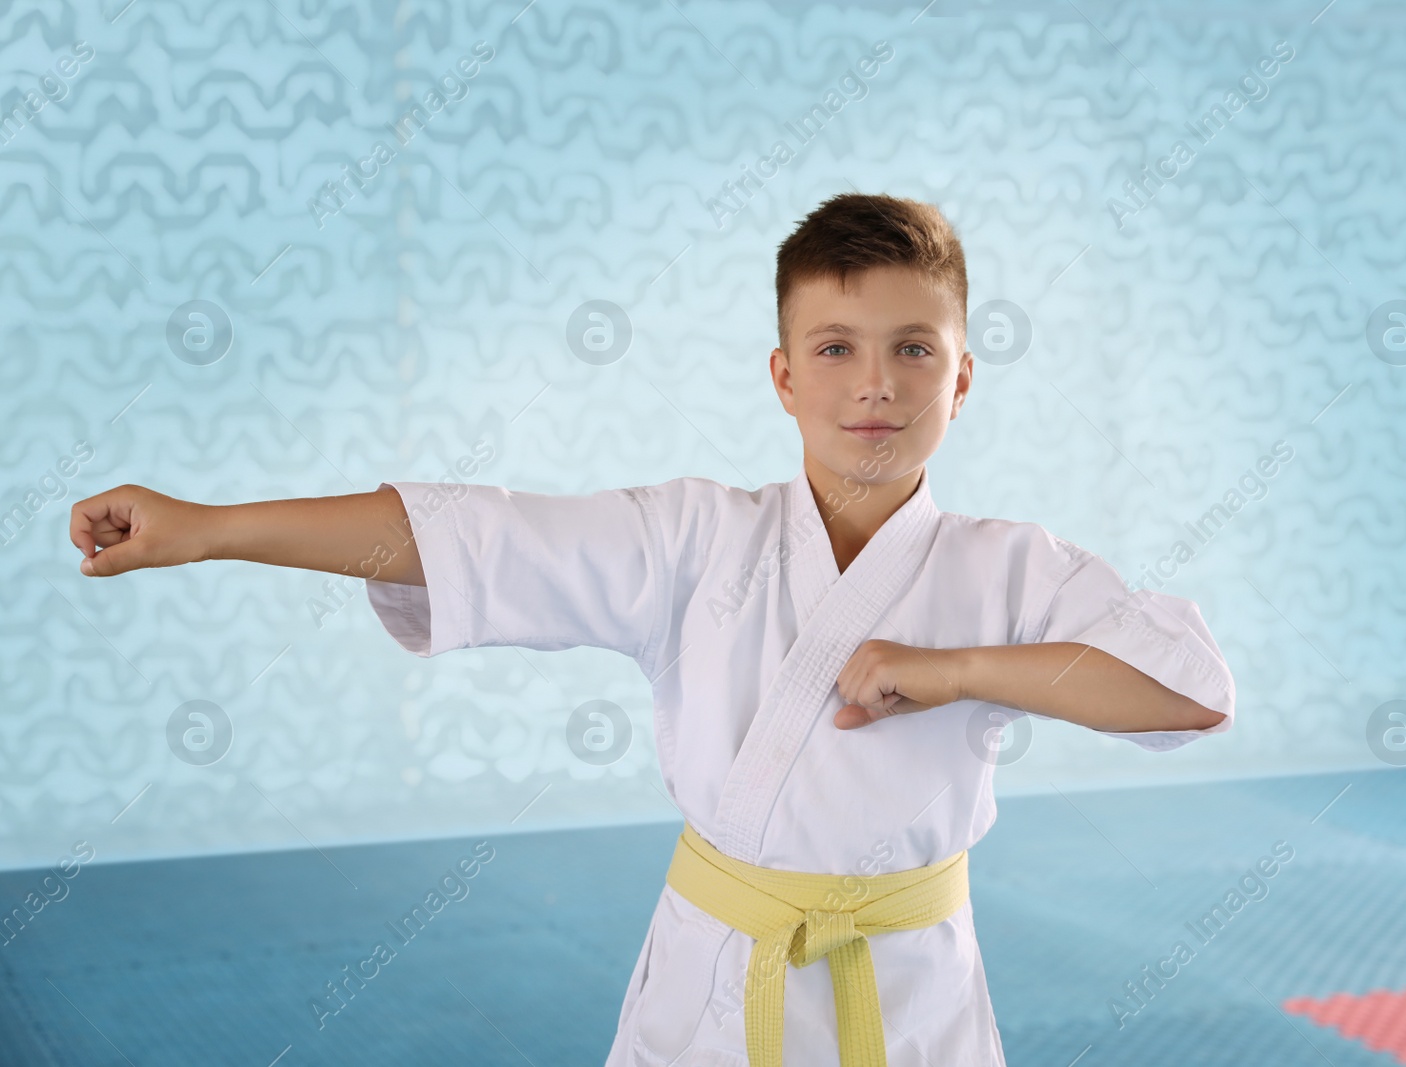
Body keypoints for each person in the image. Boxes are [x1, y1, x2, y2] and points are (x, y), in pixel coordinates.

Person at [68, 193, 1234, 1066]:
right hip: (717, 974)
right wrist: (208, 525)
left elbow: (1185, 689)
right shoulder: (693, 538)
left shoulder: (1010, 566)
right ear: (783, 375)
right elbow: (476, 536)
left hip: (910, 985)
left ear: (963, 376)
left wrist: (954, 670)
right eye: (835, 347)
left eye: (912, 349)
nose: (873, 383)